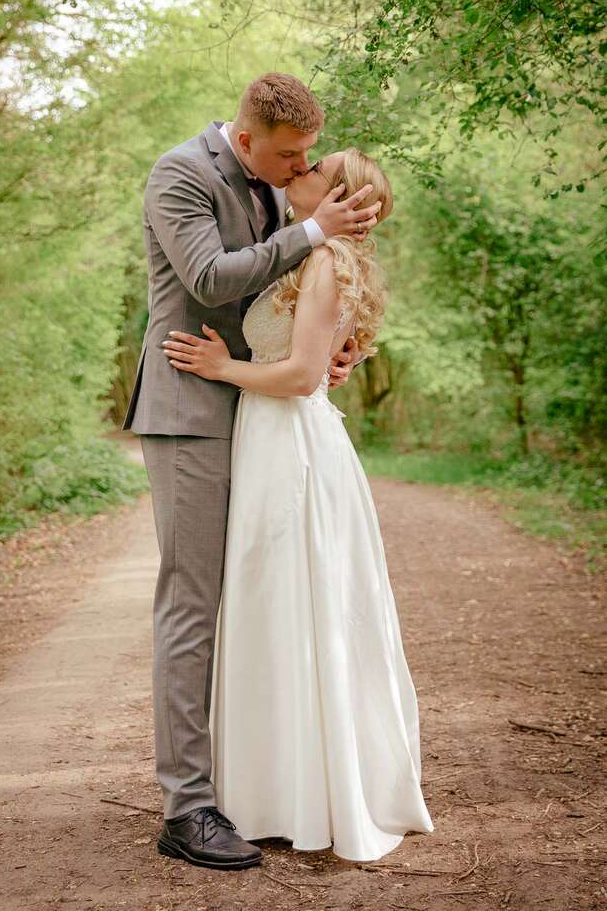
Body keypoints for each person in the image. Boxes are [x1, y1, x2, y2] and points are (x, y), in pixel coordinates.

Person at [122, 73, 382, 870]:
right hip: (189, 412)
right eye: (288, 155)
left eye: (306, 156)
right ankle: (187, 807)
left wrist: (335, 348)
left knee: (260, 604)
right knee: (194, 602)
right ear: (246, 137)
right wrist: (311, 238)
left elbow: (291, 297)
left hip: (261, 419)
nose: (297, 168)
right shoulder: (181, 174)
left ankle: (256, 780)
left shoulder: (273, 191)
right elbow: (206, 279)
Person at [162, 147, 435, 862]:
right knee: (273, 607)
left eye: (315, 169)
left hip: (290, 445)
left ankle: (303, 792)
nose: (299, 173)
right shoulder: (305, 255)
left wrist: (223, 366)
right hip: (269, 440)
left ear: (336, 196)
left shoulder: (323, 263)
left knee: (292, 604)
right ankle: (274, 787)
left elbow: (300, 374)